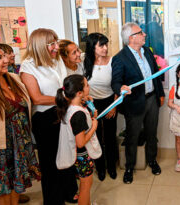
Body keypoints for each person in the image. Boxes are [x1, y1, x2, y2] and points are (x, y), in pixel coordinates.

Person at [19, 28, 78, 205]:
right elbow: (37, 98)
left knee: (67, 154)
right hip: (45, 119)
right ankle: (54, 199)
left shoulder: (56, 59)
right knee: (50, 163)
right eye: (51, 44)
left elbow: (63, 84)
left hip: (63, 112)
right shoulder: (28, 67)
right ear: (39, 46)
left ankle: (69, 191)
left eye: (56, 41)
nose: (56, 47)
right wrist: (65, 99)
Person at [0, 41, 40, 204]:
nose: (6, 60)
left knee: (16, 189)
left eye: (5, 56)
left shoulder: (14, 79)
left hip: (20, 146)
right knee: (2, 193)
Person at [111, 22, 165, 184]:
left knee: (151, 133)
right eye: (141, 33)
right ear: (131, 38)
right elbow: (115, 82)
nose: (144, 35)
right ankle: (129, 167)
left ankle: (152, 161)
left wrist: (160, 94)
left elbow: (155, 74)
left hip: (152, 100)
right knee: (132, 137)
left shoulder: (147, 51)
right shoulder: (120, 58)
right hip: (134, 104)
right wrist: (121, 87)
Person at [56, 75, 101, 205]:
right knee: (85, 186)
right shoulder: (78, 114)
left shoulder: (71, 106)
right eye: (87, 85)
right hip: (82, 155)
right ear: (79, 92)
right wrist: (94, 126)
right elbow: (80, 142)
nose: (89, 87)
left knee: (86, 184)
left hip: (78, 155)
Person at [84, 33, 118, 181]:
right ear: (92, 47)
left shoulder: (112, 61)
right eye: (101, 45)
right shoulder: (84, 63)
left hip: (110, 101)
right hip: (92, 104)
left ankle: (111, 167)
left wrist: (114, 106)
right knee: (95, 136)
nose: (105, 48)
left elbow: (117, 84)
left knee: (110, 136)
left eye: (106, 44)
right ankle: (100, 168)